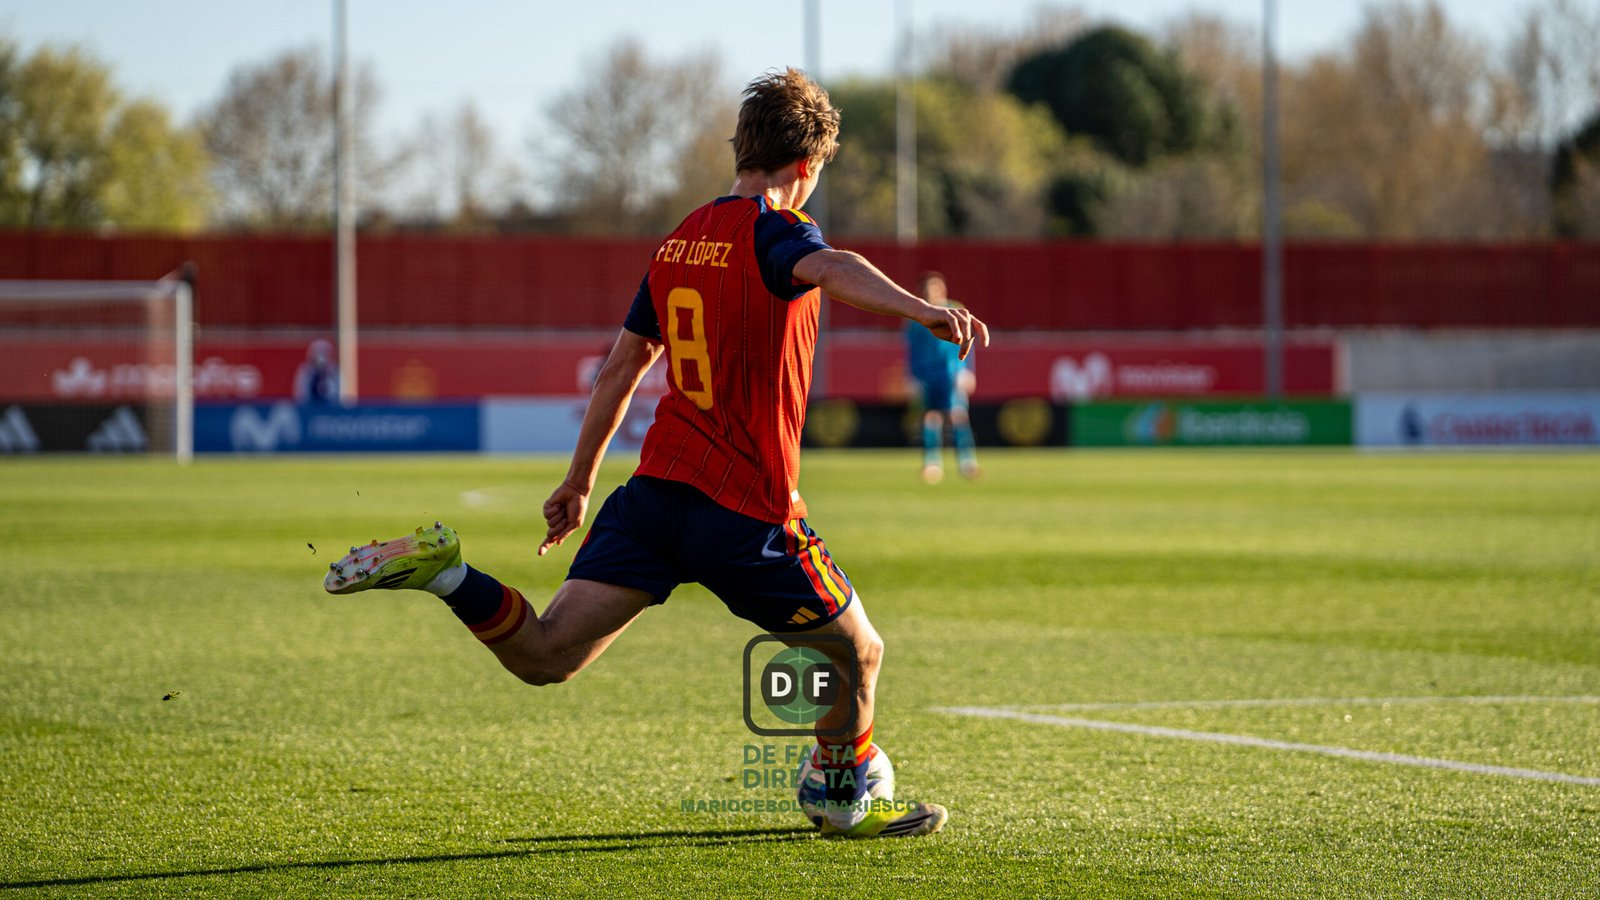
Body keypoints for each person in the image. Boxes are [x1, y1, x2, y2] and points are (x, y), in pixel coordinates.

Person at [322, 68, 987, 839]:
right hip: (746, 511)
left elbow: (621, 368)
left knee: (546, 654)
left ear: (743, 148)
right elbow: (832, 268)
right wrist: (922, 310)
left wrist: (579, 482)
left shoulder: (680, 241)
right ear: (806, 165)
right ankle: (841, 799)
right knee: (857, 654)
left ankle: (447, 574)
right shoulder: (776, 229)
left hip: (656, 495)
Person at [905, 272, 979, 483]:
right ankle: (932, 463)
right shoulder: (916, 317)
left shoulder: (955, 310)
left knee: (958, 416)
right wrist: (912, 376)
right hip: (928, 376)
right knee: (931, 417)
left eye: (934, 289)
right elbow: (912, 349)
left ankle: (967, 461)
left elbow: (967, 342)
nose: (931, 293)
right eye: (927, 290)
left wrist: (967, 370)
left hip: (951, 373)